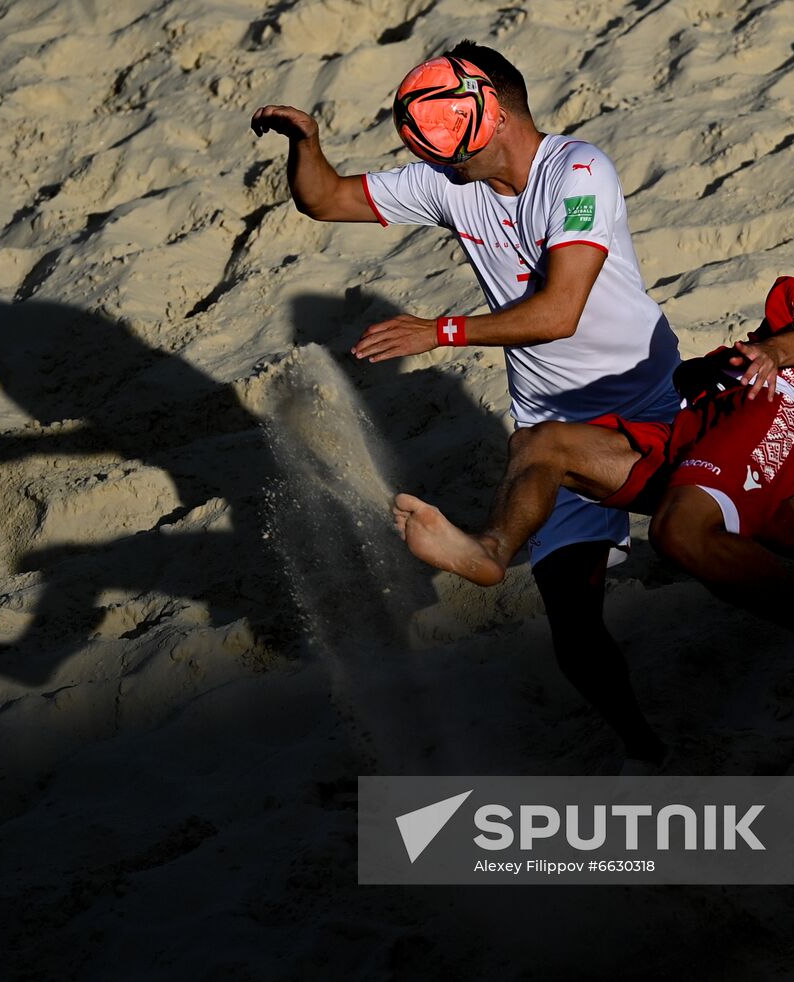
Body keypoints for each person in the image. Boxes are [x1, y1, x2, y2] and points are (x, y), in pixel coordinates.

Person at [394, 126, 794, 736]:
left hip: (772, 403)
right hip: (732, 409)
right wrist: (760, 454)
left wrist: (772, 355)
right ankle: (491, 549)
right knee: (543, 443)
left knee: (683, 530)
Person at [252, 41, 681, 764]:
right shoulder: (454, 183)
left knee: (716, 537)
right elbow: (325, 199)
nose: (444, 167)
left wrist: (441, 330)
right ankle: (648, 750)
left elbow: (560, 312)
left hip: (648, 398)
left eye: (454, 150)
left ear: (502, 116)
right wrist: (308, 144)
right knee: (572, 620)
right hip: (550, 424)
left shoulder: (579, 172)